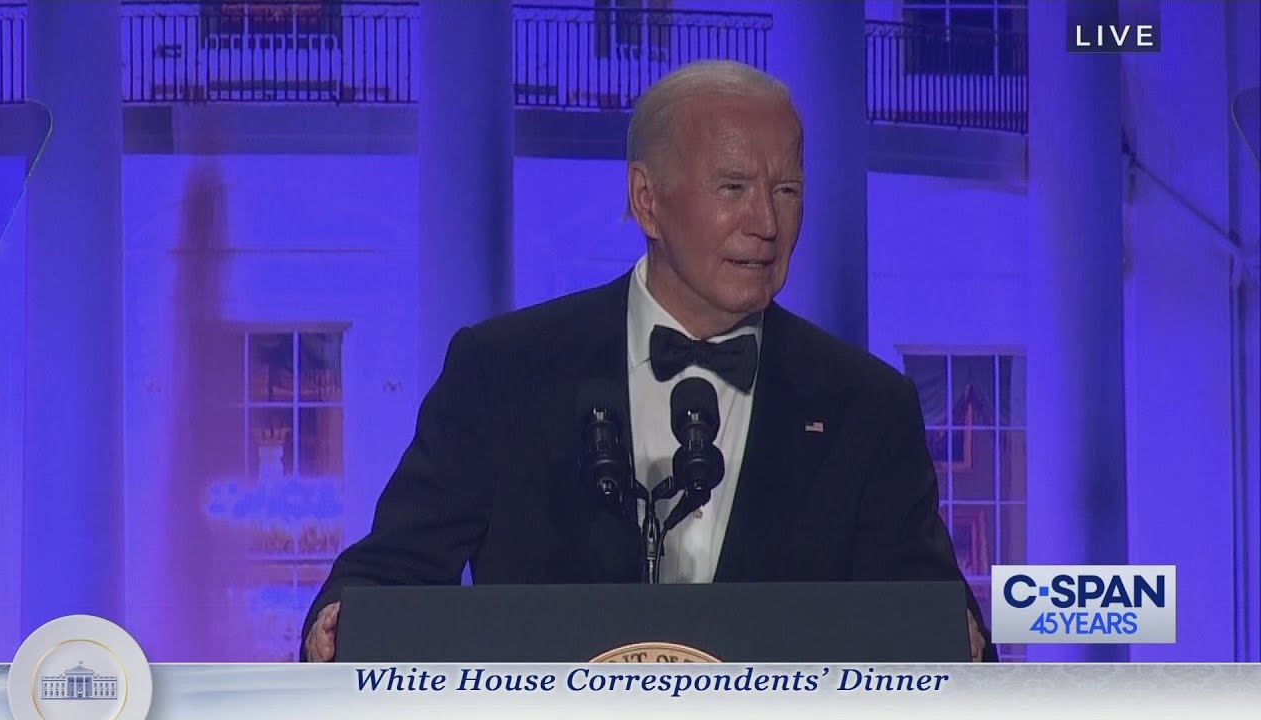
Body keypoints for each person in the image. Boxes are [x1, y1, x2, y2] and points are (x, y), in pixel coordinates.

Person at [302, 60, 993, 662]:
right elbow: (390, 571)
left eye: (786, 189)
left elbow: (929, 611)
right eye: (733, 188)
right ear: (647, 201)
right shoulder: (504, 371)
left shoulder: (865, 404)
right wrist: (341, 621)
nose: (767, 222)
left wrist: (957, 631)